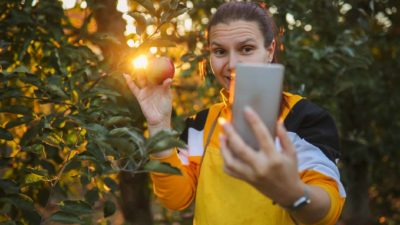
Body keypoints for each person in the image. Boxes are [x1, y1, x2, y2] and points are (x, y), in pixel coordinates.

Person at [124, 1, 346, 224]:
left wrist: (293, 194)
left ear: (269, 51)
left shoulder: (304, 118)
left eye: (246, 49)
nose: (232, 64)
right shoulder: (201, 124)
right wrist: (159, 125)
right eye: (220, 51)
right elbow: (176, 199)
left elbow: (327, 209)